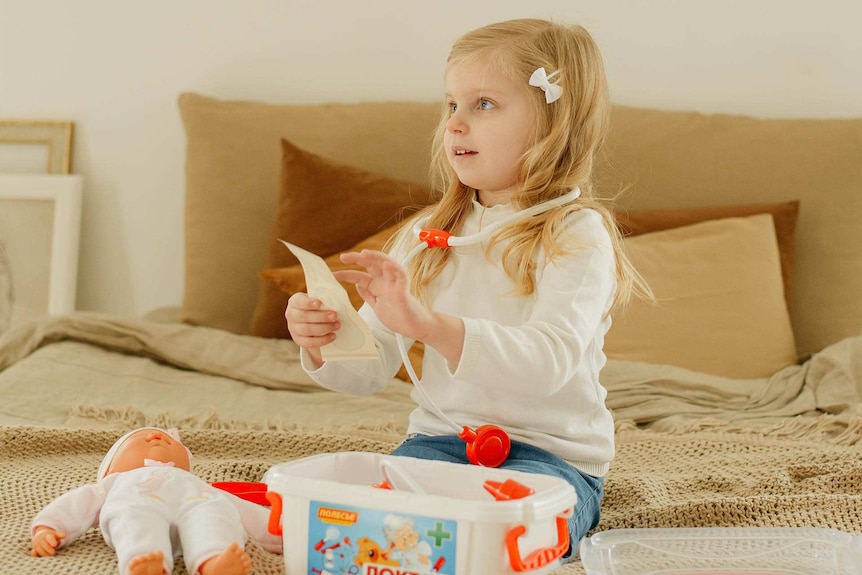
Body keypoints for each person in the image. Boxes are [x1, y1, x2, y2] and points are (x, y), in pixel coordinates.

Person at [285, 18, 649, 557]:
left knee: (510, 530)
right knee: (387, 513)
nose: (455, 125)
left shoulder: (576, 235)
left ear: (554, 122)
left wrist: (429, 326)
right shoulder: (426, 234)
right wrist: (324, 339)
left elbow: (547, 362)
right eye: (451, 105)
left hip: (550, 458)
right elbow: (368, 370)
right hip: (440, 444)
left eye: (483, 104)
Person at [30, 427, 282, 575]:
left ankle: (213, 559)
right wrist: (50, 527)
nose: (156, 437)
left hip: (196, 501)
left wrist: (286, 533)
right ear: (110, 468)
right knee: (134, 517)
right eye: (141, 438)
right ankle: (146, 560)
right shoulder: (115, 483)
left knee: (215, 514)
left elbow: (242, 510)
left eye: (166, 438)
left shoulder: (199, 485)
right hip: (139, 502)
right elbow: (77, 503)